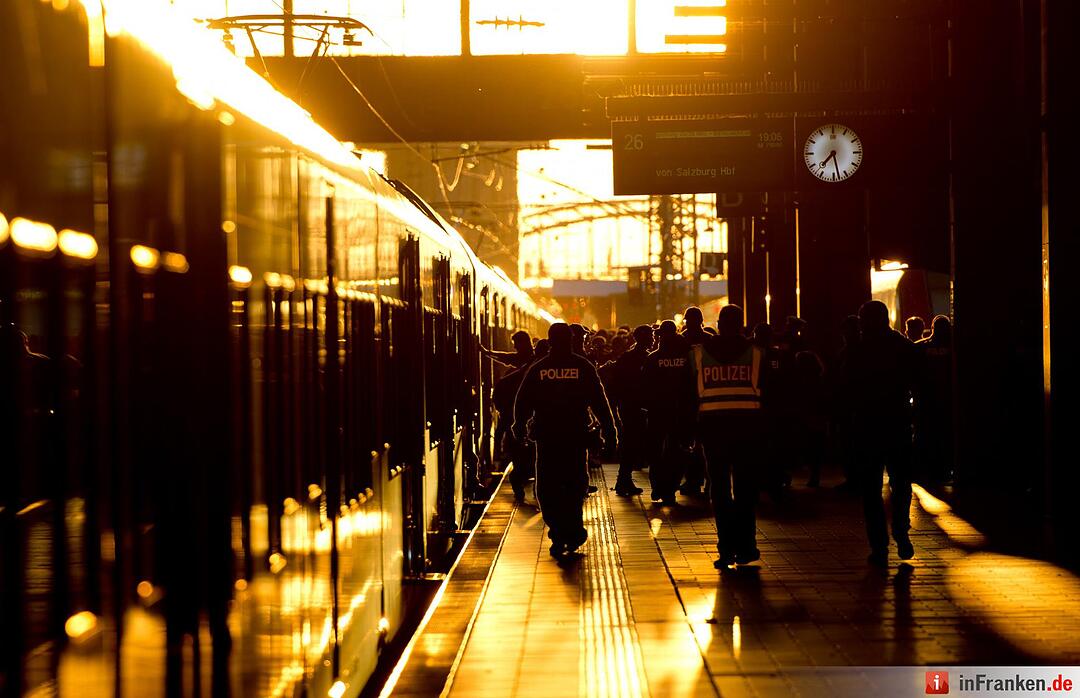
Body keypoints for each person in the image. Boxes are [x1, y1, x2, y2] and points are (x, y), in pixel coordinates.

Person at [513, 323, 618, 558]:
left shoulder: (539, 369)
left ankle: (560, 531)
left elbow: (523, 401)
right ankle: (571, 530)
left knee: (547, 488)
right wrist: (610, 431)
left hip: (548, 439)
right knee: (574, 485)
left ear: (549, 342)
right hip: (575, 438)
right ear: (570, 340)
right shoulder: (583, 366)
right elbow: (600, 402)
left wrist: (519, 426)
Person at [691, 305, 771, 568]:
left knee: (721, 492)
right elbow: (772, 396)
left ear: (718, 323)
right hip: (749, 433)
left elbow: (687, 397)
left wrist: (689, 432)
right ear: (741, 324)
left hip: (713, 433)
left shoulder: (699, 355)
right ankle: (747, 547)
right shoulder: (758, 354)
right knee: (746, 491)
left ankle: (725, 549)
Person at [848, 300, 919, 566]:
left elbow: (845, 390)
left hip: (866, 427)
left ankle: (879, 545)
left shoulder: (856, 350)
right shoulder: (904, 347)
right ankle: (901, 531)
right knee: (901, 483)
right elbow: (920, 385)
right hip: (898, 424)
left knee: (871, 489)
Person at [641, 321, 694, 504]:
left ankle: (657, 487)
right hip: (682, 412)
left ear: (660, 336)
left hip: (658, 412)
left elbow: (645, 386)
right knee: (678, 451)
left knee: (655, 451)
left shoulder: (653, 358)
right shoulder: (688, 358)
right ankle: (670, 488)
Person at [607, 325, 653, 496]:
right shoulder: (642, 358)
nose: (653, 339)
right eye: (651, 336)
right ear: (643, 338)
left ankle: (624, 480)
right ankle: (623, 480)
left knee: (630, 444)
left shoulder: (628, 357)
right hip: (634, 406)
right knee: (631, 444)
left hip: (628, 405)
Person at [915, 315, 954, 484]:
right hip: (947, 401)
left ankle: (927, 468)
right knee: (945, 436)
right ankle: (943, 468)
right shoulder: (954, 348)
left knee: (926, 435)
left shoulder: (920, 348)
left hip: (926, 400)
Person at [492, 363, 533, 503]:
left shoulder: (509, 379)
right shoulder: (535, 374)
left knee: (518, 460)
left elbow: (497, 399)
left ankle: (519, 488)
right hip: (530, 426)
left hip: (514, 426)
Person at [680, 307, 710, 496]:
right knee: (704, 442)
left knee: (689, 443)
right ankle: (705, 481)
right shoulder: (709, 340)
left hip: (688, 398)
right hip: (706, 395)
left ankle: (693, 480)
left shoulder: (681, 340)